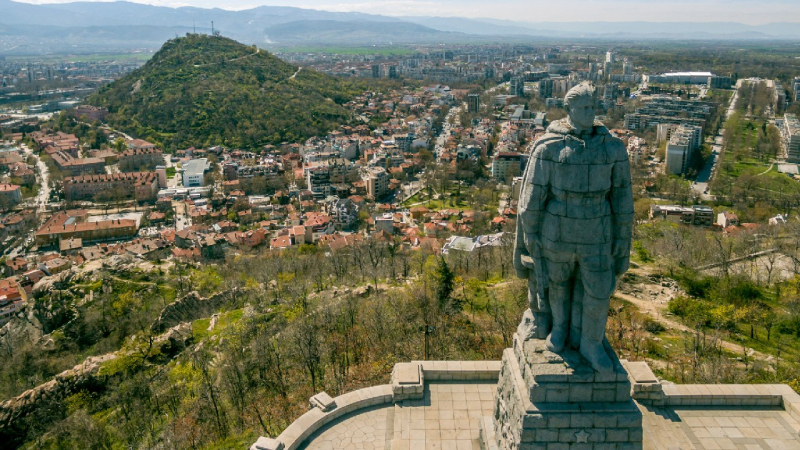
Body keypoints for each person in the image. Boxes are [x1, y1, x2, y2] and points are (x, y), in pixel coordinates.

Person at [514, 81, 633, 372]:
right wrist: (530, 233)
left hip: (598, 227)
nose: (589, 113)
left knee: (598, 289)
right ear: (568, 109)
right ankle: (560, 331)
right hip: (557, 229)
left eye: (593, 107)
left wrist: (622, 236)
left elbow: (621, 195)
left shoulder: (612, 148)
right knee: (557, 283)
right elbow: (532, 195)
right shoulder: (550, 147)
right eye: (583, 108)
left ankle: (591, 343)